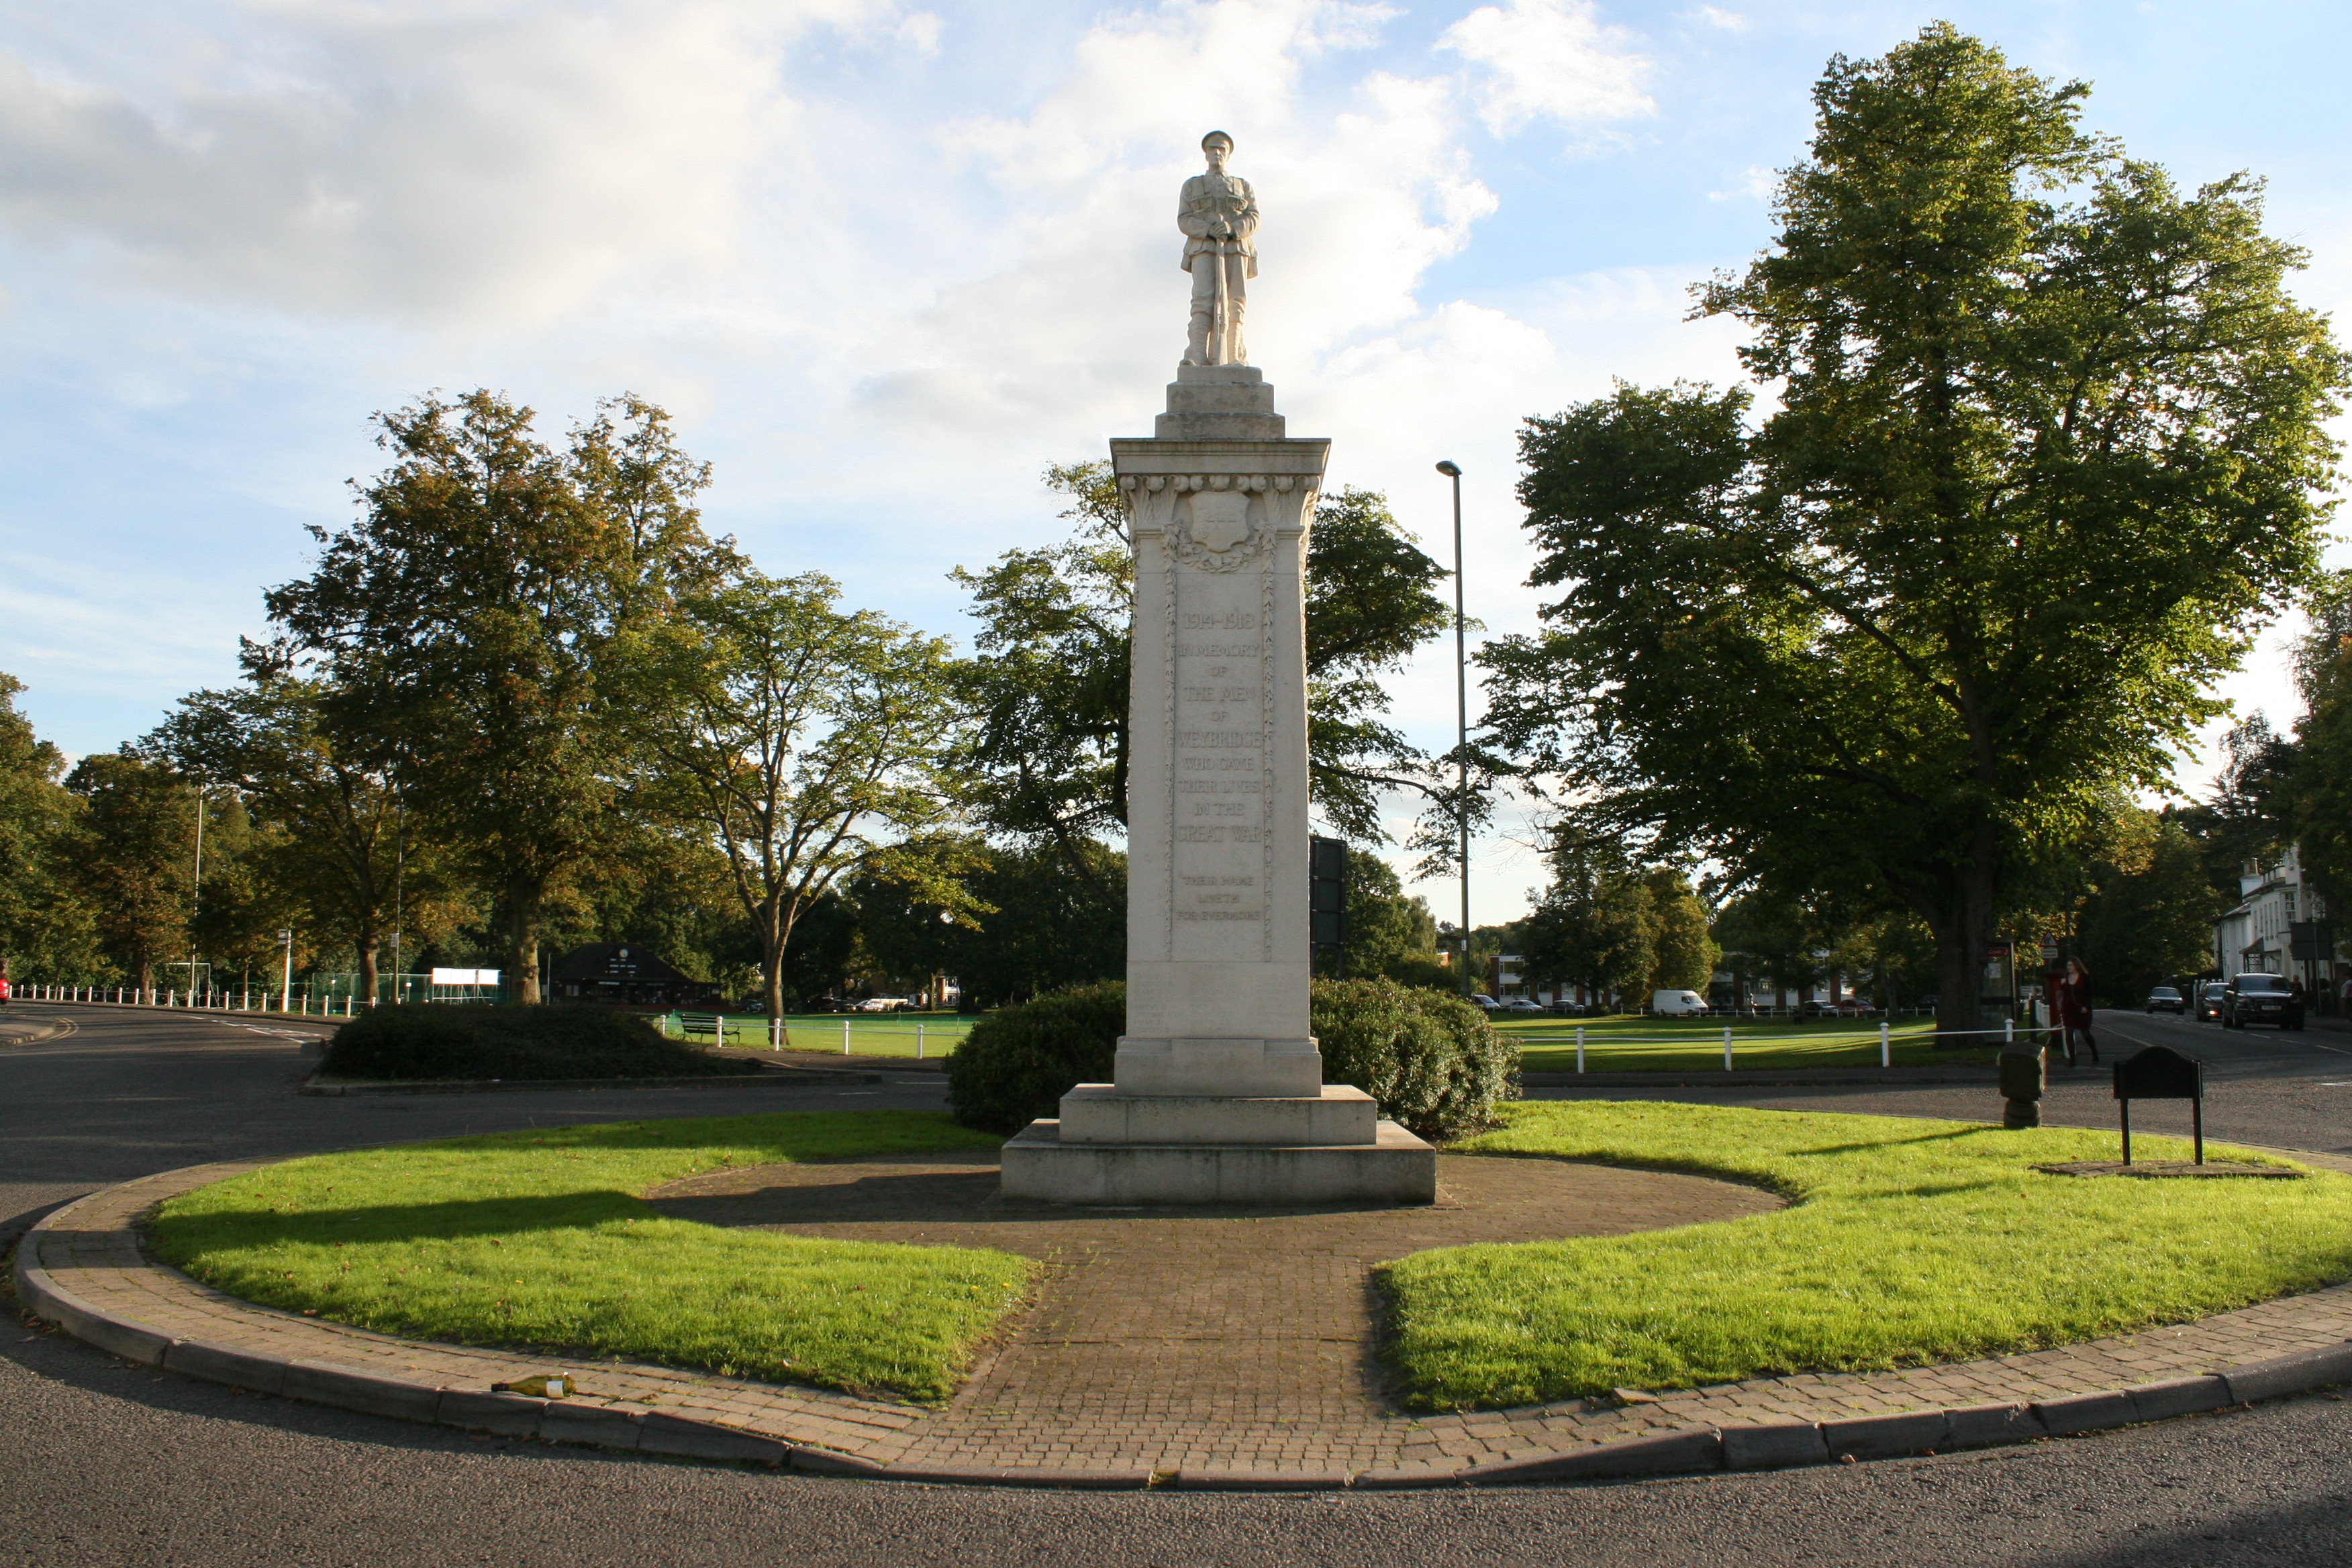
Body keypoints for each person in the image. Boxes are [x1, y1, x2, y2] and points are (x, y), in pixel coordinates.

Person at [1179, 131, 1258, 366]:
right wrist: (1208, 230)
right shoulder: (1193, 186)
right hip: (1203, 246)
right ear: (1206, 154)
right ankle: (1197, 354)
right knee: (1202, 301)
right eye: (1213, 149)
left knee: (1235, 302)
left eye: (1222, 150)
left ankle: (1234, 357)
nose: (1217, 153)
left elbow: (1254, 217)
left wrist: (1233, 228)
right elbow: (1184, 219)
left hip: (1236, 247)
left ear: (1228, 155)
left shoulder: (1243, 186)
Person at [2056, 955, 2098, 1065]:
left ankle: (2094, 1052)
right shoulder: (2065, 979)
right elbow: (2061, 994)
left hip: (2082, 1009)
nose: (2068, 967)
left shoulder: (2085, 978)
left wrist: (2086, 1006)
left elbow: (2089, 994)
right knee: (2069, 1033)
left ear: (2077, 966)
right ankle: (2072, 1059)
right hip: (2068, 1010)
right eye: (2067, 965)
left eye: (2071, 965)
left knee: (2085, 1033)